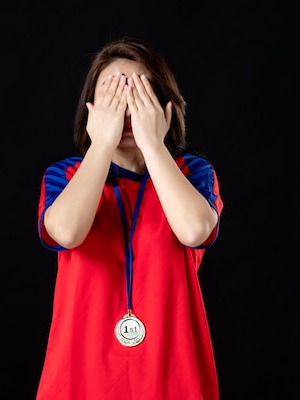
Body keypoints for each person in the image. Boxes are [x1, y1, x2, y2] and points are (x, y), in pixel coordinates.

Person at [35, 36, 224, 400]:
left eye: (137, 94)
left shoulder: (193, 173)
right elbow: (68, 233)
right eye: (112, 97)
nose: (124, 111)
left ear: (163, 105)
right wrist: (102, 144)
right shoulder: (64, 176)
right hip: (80, 374)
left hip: (170, 376)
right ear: (92, 108)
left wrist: (153, 143)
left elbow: (194, 229)